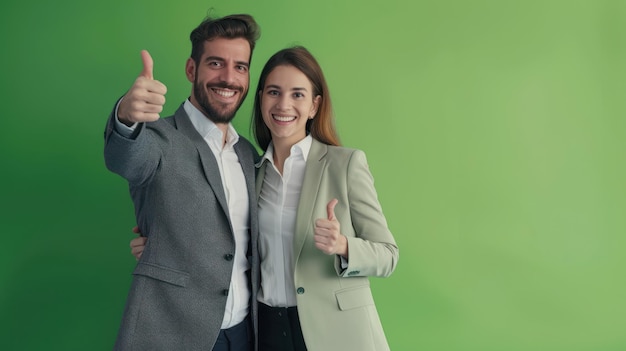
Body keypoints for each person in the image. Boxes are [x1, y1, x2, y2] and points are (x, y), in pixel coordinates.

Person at [131, 46, 399, 351]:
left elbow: (388, 255)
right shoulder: (250, 170)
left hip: (335, 330)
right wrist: (163, 248)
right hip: (267, 329)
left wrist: (343, 246)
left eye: (298, 94)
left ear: (315, 105)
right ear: (260, 100)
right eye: (274, 92)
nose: (283, 104)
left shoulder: (345, 164)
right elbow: (228, 244)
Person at [104, 14, 261, 351]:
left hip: (245, 334)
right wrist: (127, 116)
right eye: (216, 63)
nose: (229, 78)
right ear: (192, 70)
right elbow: (126, 157)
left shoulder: (248, 155)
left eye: (241, 67)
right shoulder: (160, 138)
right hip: (172, 336)